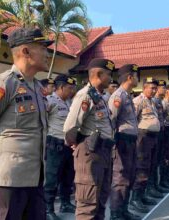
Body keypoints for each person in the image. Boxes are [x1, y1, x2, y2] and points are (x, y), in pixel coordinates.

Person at [0, 28, 53, 219]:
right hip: (7, 180)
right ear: (25, 51)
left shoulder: (38, 89)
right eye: (42, 48)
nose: (47, 54)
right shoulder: (3, 84)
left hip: (35, 178)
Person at [63, 58, 116, 220]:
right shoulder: (85, 95)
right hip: (90, 152)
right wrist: (76, 144)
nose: (111, 78)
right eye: (109, 74)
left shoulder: (99, 96)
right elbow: (70, 126)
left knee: (101, 198)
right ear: (99, 74)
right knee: (88, 202)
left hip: (103, 152)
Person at [108, 64, 140, 220]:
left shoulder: (128, 96)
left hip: (131, 141)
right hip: (121, 142)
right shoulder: (118, 96)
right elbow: (111, 121)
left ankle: (123, 210)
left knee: (130, 176)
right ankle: (115, 214)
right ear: (130, 77)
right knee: (120, 178)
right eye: (136, 75)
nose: (137, 78)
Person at [44, 75, 77, 220]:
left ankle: (65, 203)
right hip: (55, 144)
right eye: (70, 88)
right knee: (52, 177)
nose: (72, 91)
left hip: (68, 145)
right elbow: (41, 121)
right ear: (61, 87)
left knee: (68, 176)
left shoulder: (69, 102)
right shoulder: (49, 101)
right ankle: (48, 209)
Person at [130, 77, 160, 213]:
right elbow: (133, 120)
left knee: (149, 166)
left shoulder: (151, 102)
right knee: (141, 167)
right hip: (142, 138)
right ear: (144, 88)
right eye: (151, 88)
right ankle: (135, 198)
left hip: (152, 138)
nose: (154, 91)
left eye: (155, 88)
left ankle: (143, 195)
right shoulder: (138, 101)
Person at [152, 80, 169, 192]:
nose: (164, 89)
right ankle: (153, 186)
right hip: (154, 134)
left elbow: (162, 116)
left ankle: (159, 183)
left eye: (165, 87)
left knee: (161, 158)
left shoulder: (159, 101)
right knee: (153, 161)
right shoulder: (154, 101)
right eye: (162, 87)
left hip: (161, 131)